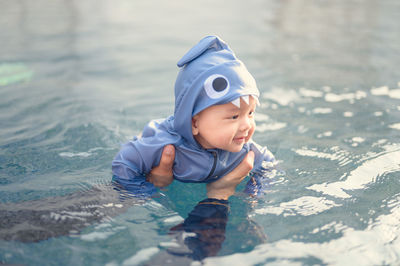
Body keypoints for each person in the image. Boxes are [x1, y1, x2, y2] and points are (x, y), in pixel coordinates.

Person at [112, 35, 276, 197]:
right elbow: (124, 162)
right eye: (234, 117)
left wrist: (254, 190)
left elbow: (268, 164)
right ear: (194, 123)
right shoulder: (166, 145)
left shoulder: (244, 150)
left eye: (250, 113)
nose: (247, 125)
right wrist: (144, 191)